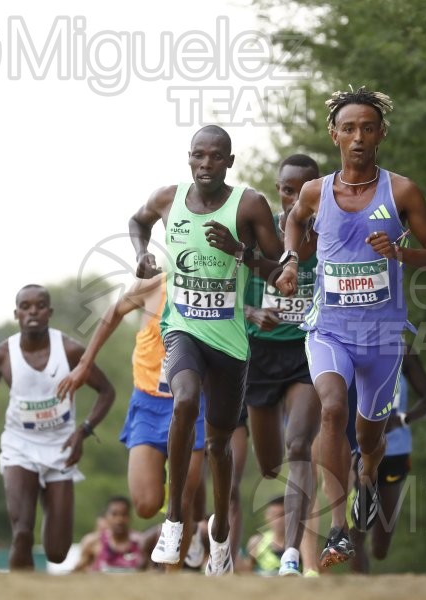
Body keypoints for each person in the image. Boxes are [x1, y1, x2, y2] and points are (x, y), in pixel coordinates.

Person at [276, 86, 426, 569]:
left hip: (382, 337)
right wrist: (290, 261)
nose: (358, 137)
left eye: (367, 128)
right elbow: (295, 222)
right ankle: (337, 529)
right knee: (331, 411)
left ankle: (367, 475)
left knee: (369, 439)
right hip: (329, 330)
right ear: (334, 135)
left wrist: (400, 252)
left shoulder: (403, 192)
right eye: (348, 128)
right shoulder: (316, 191)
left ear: (381, 134)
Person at [128, 125, 283, 575]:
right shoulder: (167, 199)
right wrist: (141, 252)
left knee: (217, 446)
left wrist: (241, 252)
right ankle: (174, 520)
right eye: (198, 156)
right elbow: (137, 222)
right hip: (181, 330)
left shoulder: (249, 204)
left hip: (230, 341)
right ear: (189, 157)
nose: (205, 165)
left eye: (216, 157)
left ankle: (218, 536)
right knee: (185, 399)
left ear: (229, 162)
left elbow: (280, 270)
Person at [55, 274, 207, 569]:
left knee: (183, 499)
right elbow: (112, 314)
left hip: (193, 402)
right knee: (147, 505)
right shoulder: (155, 286)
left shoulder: (214, 287)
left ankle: (171, 579)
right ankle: (183, 483)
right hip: (149, 402)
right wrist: (85, 364)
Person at [0, 284, 116, 570]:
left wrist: (83, 431)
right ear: (17, 314)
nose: (32, 311)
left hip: (61, 446)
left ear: (49, 312)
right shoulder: (2, 355)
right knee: (22, 531)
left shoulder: (71, 350)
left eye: (39, 306)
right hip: (19, 444)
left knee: (58, 552)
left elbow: (107, 391)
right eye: (25, 306)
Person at [242, 153, 323, 576]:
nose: (295, 199)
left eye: (304, 190)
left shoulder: (330, 232)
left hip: (308, 352)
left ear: (317, 190)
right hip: (260, 355)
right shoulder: (259, 233)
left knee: (299, 446)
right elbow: (225, 290)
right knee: (271, 464)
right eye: (288, 190)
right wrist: (252, 312)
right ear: (279, 190)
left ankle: (291, 553)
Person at [349, 342, 426, 572]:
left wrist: (401, 419)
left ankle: (370, 556)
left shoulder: (403, 351)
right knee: (358, 529)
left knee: (380, 548)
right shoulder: (345, 348)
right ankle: (358, 589)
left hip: (395, 451)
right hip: (357, 451)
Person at [74, 496, 155, 572]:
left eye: (124, 514)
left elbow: (151, 571)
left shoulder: (142, 542)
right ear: (106, 516)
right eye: (114, 514)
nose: (119, 520)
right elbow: (78, 571)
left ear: (130, 517)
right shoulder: (93, 542)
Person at [245, 496, 287, 576]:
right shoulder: (256, 542)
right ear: (267, 516)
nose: (279, 520)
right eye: (274, 515)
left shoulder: (303, 542)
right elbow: (248, 570)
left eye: (283, 514)